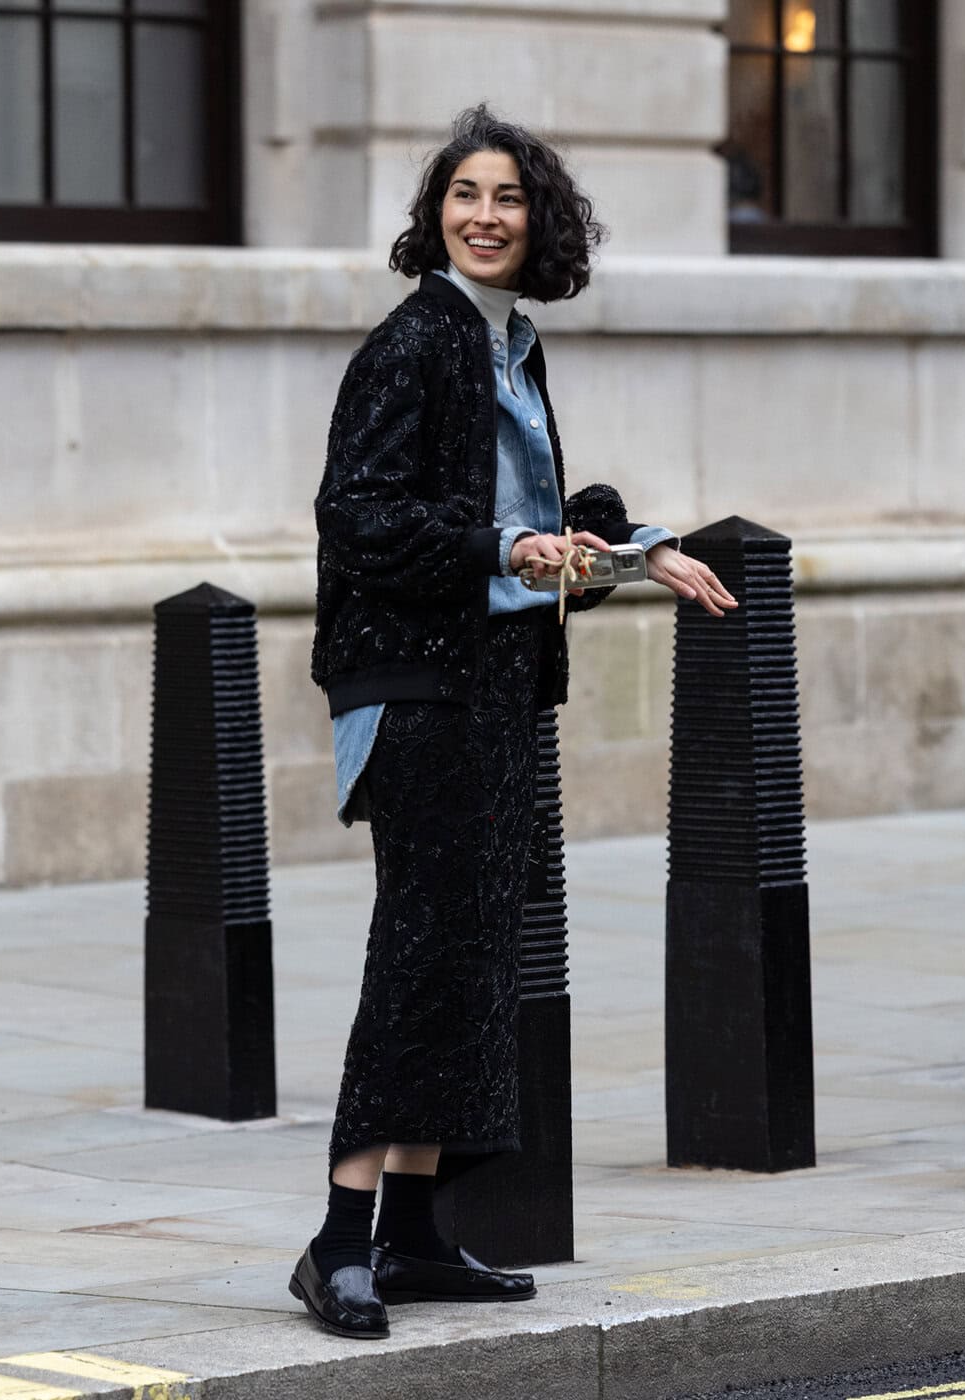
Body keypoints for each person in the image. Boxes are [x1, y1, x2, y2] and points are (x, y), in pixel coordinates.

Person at [295, 104, 737, 1340]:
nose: (484, 217)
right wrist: (507, 544)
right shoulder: (414, 343)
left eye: (507, 198)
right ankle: (337, 1239)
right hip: (416, 691)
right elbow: (359, 518)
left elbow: (532, 525)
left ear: (542, 221)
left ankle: (414, 1232)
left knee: (476, 955)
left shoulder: (510, 344)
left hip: (490, 686)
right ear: (434, 214)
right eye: (464, 195)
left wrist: (631, 546)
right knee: (421, 951)